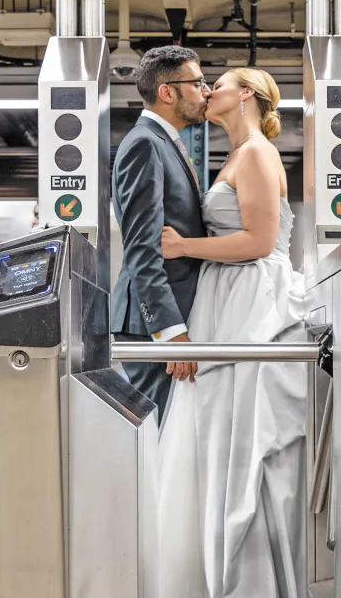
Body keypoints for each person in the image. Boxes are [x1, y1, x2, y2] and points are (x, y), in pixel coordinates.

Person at [158, 68, 306, 598]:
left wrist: (182, 248)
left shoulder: (259, 153)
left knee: (243, 434)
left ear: (245, 94)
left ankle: (248, 580)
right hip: (228, 301)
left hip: (253, 303)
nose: (207, 91)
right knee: (219, 429)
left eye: (216, 83)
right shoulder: (235, 154)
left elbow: (261, 242)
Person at [111, 46, 210, 423]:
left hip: (171, 319)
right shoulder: (144, 144)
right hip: (151, 326)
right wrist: (168, 331)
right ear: (168, 92)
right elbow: (141, 246)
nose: (206, 91)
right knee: (162, 438)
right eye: (197, 82)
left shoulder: (164, 141)